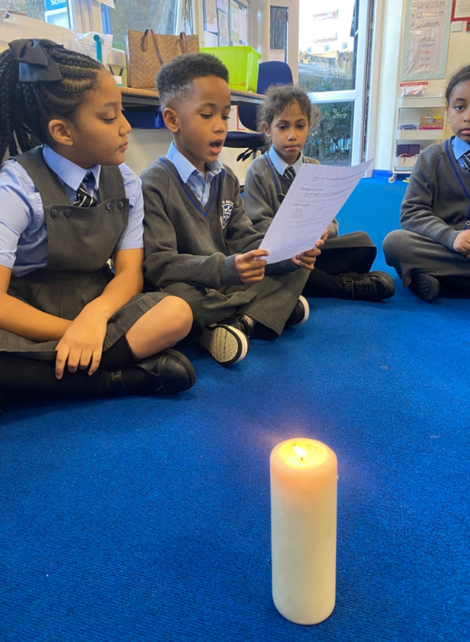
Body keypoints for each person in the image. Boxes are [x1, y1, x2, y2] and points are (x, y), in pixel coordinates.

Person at [0, 38, 196, 409]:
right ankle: (116, 379)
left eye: (122, 112)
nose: (126, 127)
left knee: (177, 313)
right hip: (28, 318)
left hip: (100, 304)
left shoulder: (128, 183)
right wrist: (76, 332)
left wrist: (95, 316)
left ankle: (45, 378)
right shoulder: (16, 185)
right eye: (109, 118)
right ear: (62, 132)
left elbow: (128, 274)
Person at [142, 53, 321, 366]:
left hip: (228, 279)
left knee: (297, 267)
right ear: (172, 120)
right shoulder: (154, 182)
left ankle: (235, 321)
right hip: (195, 286)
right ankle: (261, 312)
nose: (220, 127)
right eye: (206, 115)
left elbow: (245, 239)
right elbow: (160, 265)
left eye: (225, 116)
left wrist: (286, 254)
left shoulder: (226, 177)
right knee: (179, 301)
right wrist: (225, 269)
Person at [244, 85, 395, 301]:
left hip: (312, 251)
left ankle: (312, 281)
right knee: (274, 263)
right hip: (279, 254)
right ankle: (342, 285)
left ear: (309, 126)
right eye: (283, 127)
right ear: (267, 129)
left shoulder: (314, 166)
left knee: (364, 244)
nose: (292, 135)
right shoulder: (258, 170)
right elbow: (257, 225)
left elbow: (331, 222)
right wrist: (296, 238)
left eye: (300, 126)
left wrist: (325, 231)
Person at [383, 65, 470, 302]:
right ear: (448, 111)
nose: (467, 117)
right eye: (460, 107)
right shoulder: (431, 158)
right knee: (395, 243)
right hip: (442, 246)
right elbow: (412, 213)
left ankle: (434, 278)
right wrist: (451, 237)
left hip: (447, 259)